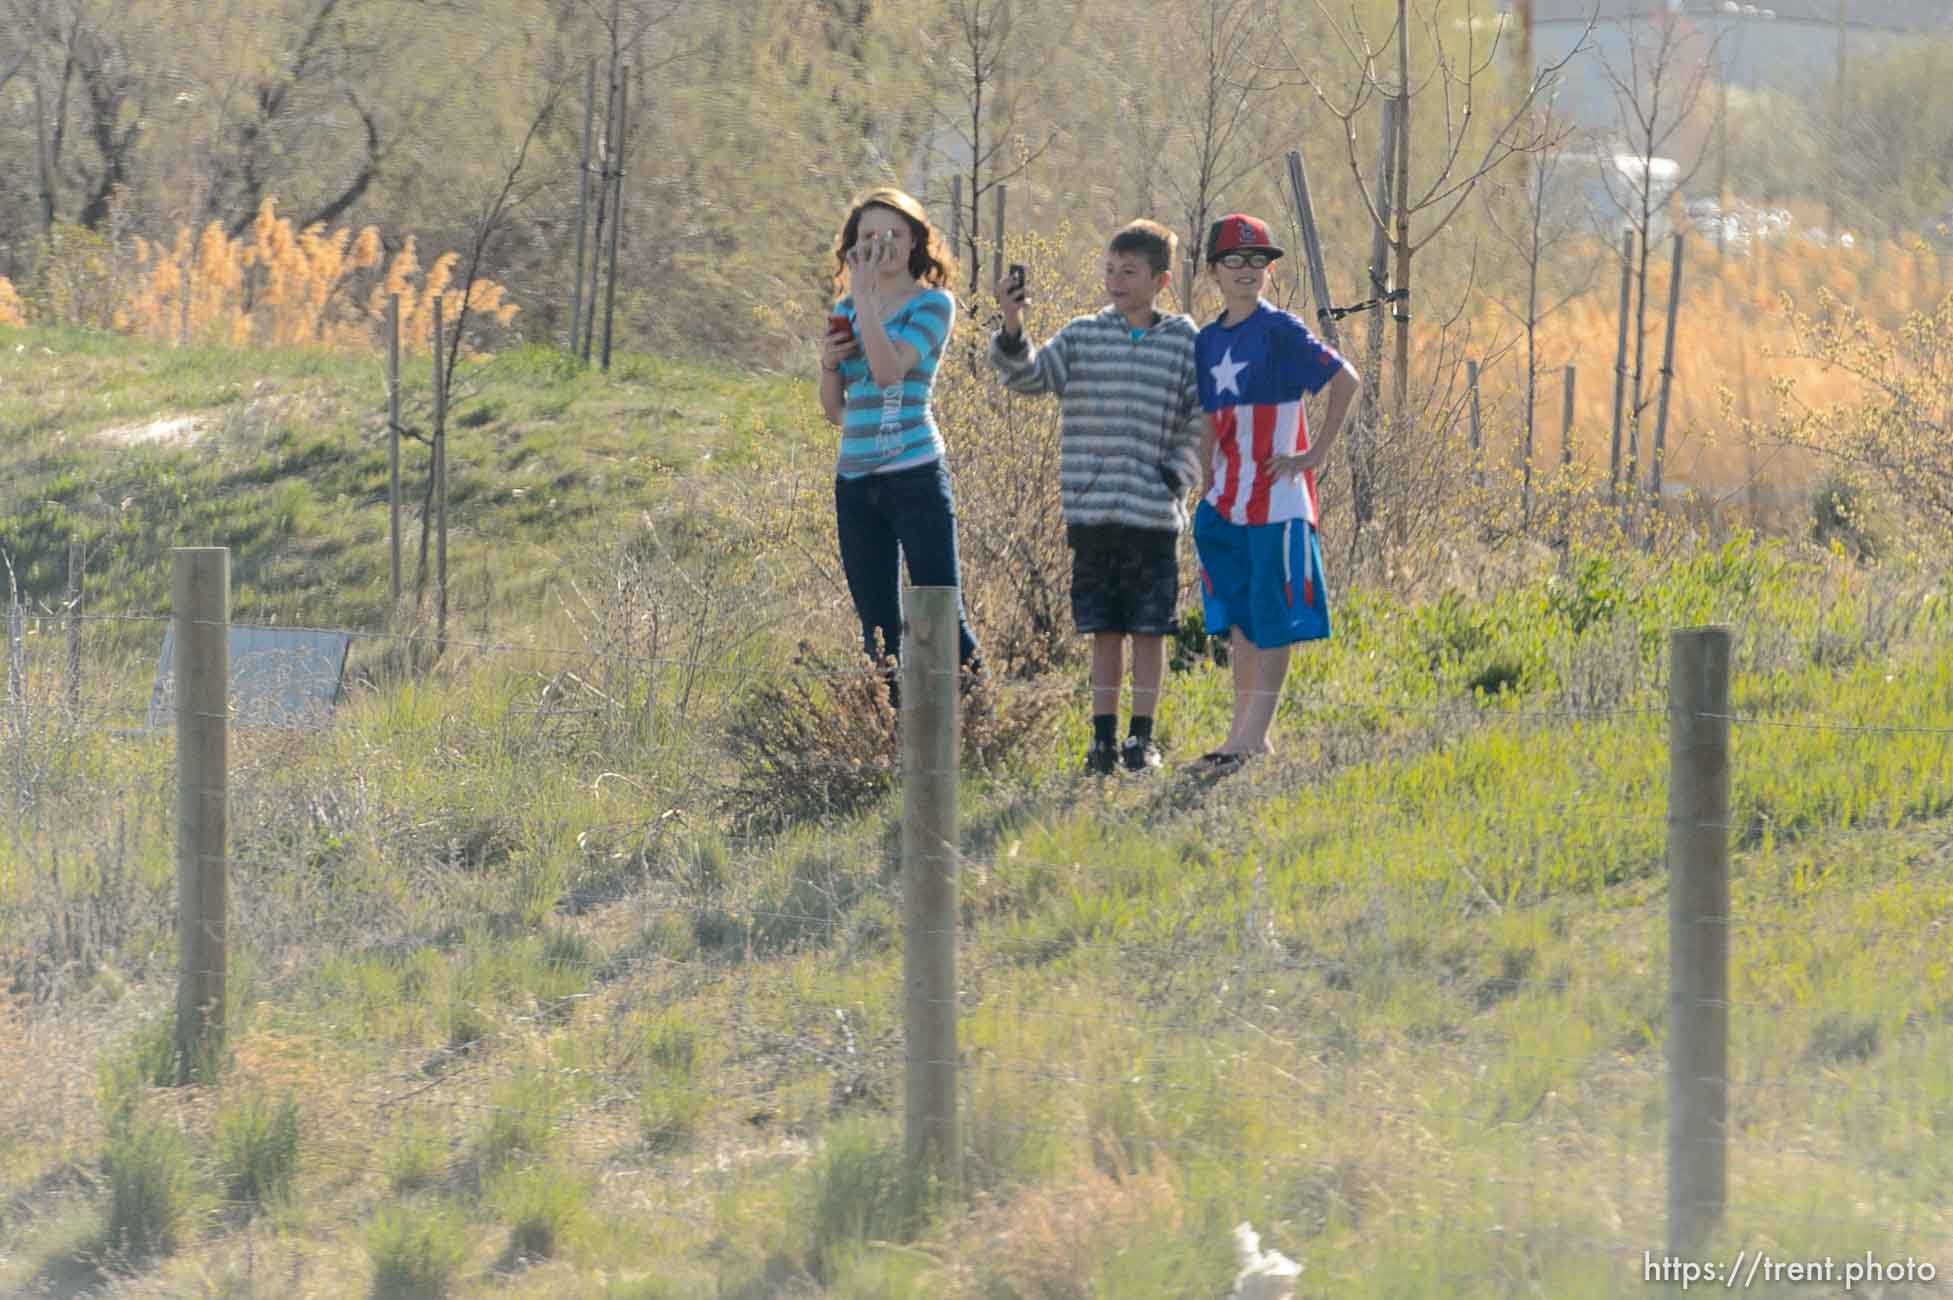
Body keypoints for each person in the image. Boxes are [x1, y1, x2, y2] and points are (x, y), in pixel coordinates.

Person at [987, 220, 1202, 775]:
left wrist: (1177, 475)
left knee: (1150, 629)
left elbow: (1202, 419)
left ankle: (1142, 739)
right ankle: (1102, 741)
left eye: (1129, 272)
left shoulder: (1184, 340)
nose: (1116, 281)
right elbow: (1028, 378)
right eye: (1110, 269)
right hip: (1092, 511)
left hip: (1153, 515)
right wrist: (1013, 323)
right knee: (1104, 630)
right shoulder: (1083, 335)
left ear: (1160, 279)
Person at [1190, 213, 1360, 774]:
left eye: (1258, 260)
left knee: (1273, 613)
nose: (1247, 270)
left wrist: (1315, 455)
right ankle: (1244, 733)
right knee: (1239, 617)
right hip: (1226, 499)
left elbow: (1346, 379)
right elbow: (1209, 419)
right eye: (1235, 260)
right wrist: (1204, 470)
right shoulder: (1208, 339)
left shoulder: (1280, 329)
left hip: (1279, 499)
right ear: (1213, 270)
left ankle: (1254, 734)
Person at [816, 189, 981, 690]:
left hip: (914, 473)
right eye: (866, 237)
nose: (878, 246)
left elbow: (889, 373)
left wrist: (866, 301)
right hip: (856, 481)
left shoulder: (933, 304)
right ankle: (895, 742)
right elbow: (836, 409)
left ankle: (981, 725)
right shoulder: (847, 307)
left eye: (891, 235)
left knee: (940, 612)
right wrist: (828, 361)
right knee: (879, 633)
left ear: (914, 243)